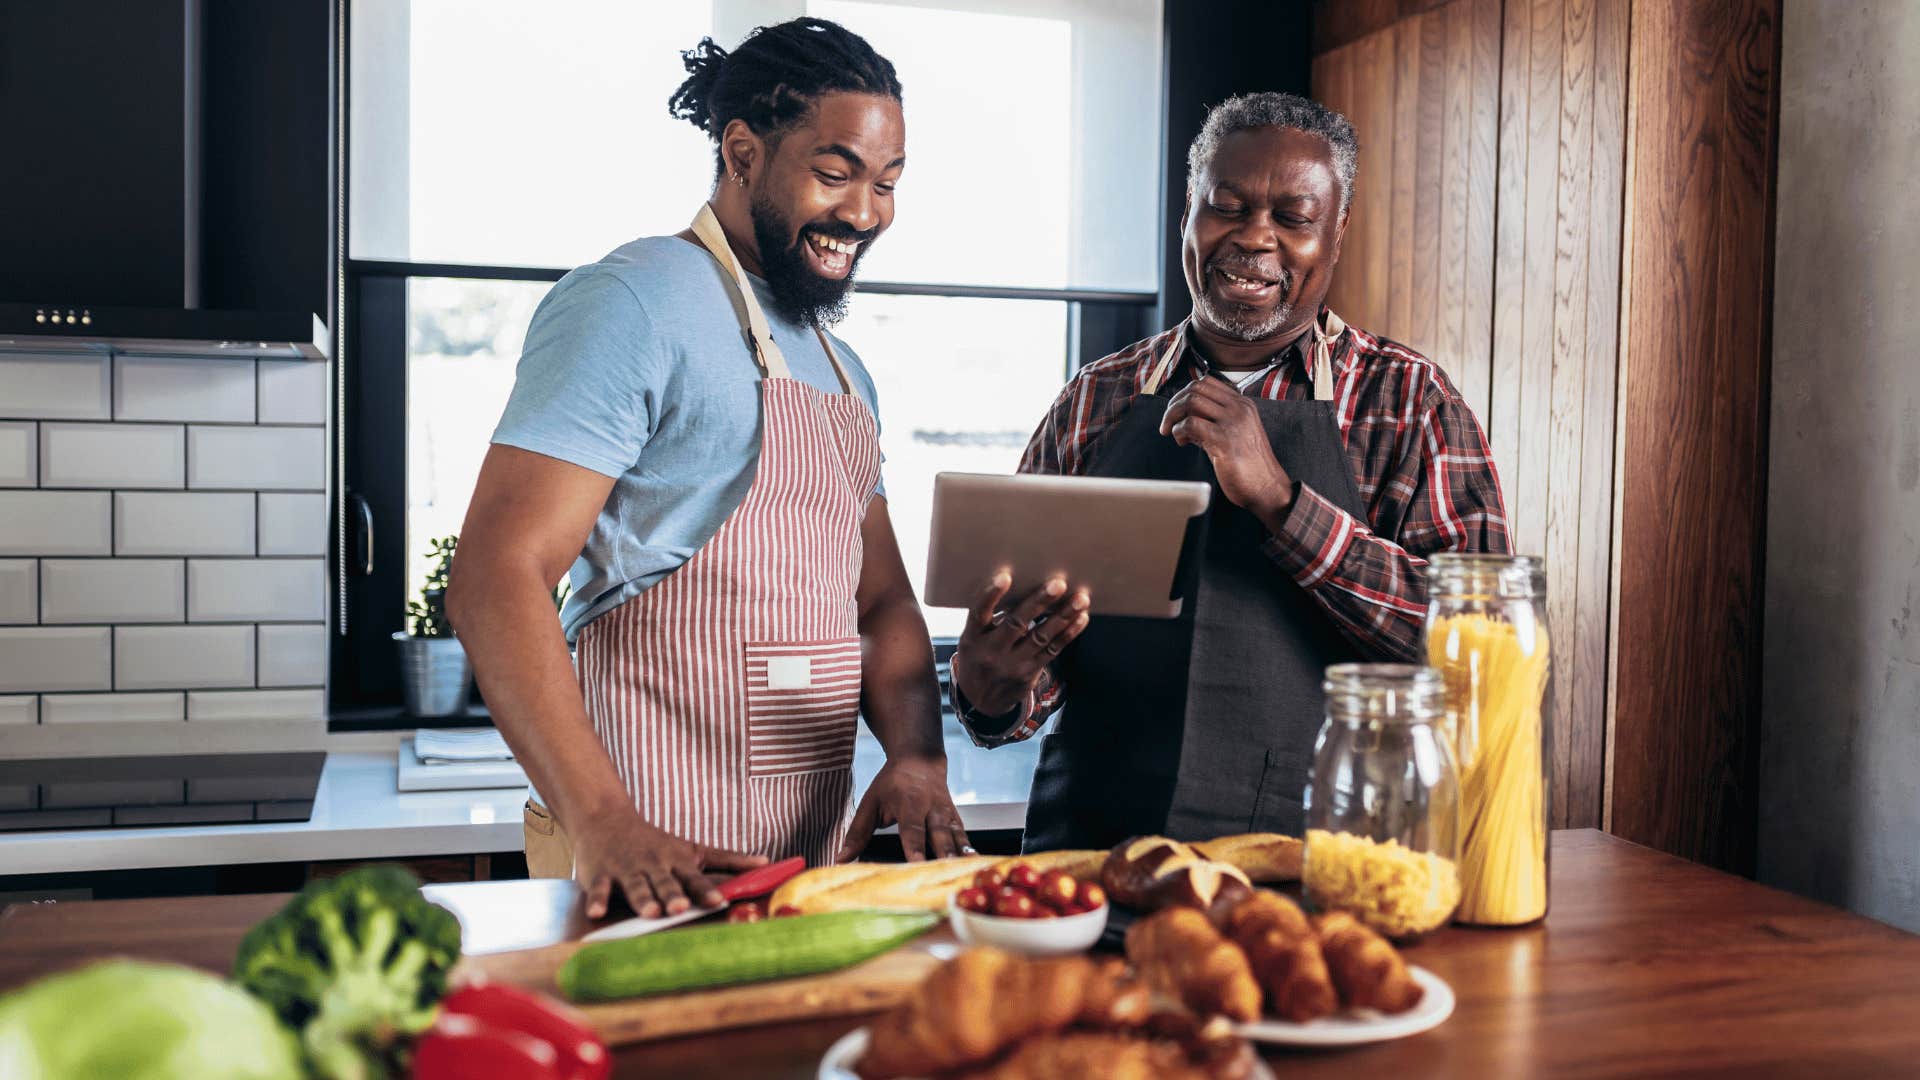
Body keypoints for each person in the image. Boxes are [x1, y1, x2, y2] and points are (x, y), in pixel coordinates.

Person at [447, 18, 970, 921]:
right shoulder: (634, 300)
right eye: (836, 172)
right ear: (741, 153)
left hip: (800, 870)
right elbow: (497, 574)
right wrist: (603, 818)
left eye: (887, 184)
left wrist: (918, 755)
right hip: (639, 854)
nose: (865, 212)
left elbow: (880, 603)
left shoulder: (841, 367)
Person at [948, 93, 1511, 851]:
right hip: (1092, 858)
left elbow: (1477, 651)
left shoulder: (1408, 399)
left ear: (1335, 233)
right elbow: (1038, 660)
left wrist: (1283, 503)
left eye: (1293, 218)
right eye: (1227, 206)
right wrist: (992, 693)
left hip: (1323, 863)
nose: (1254, 238)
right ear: (1189, 211)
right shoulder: (1097, 398)